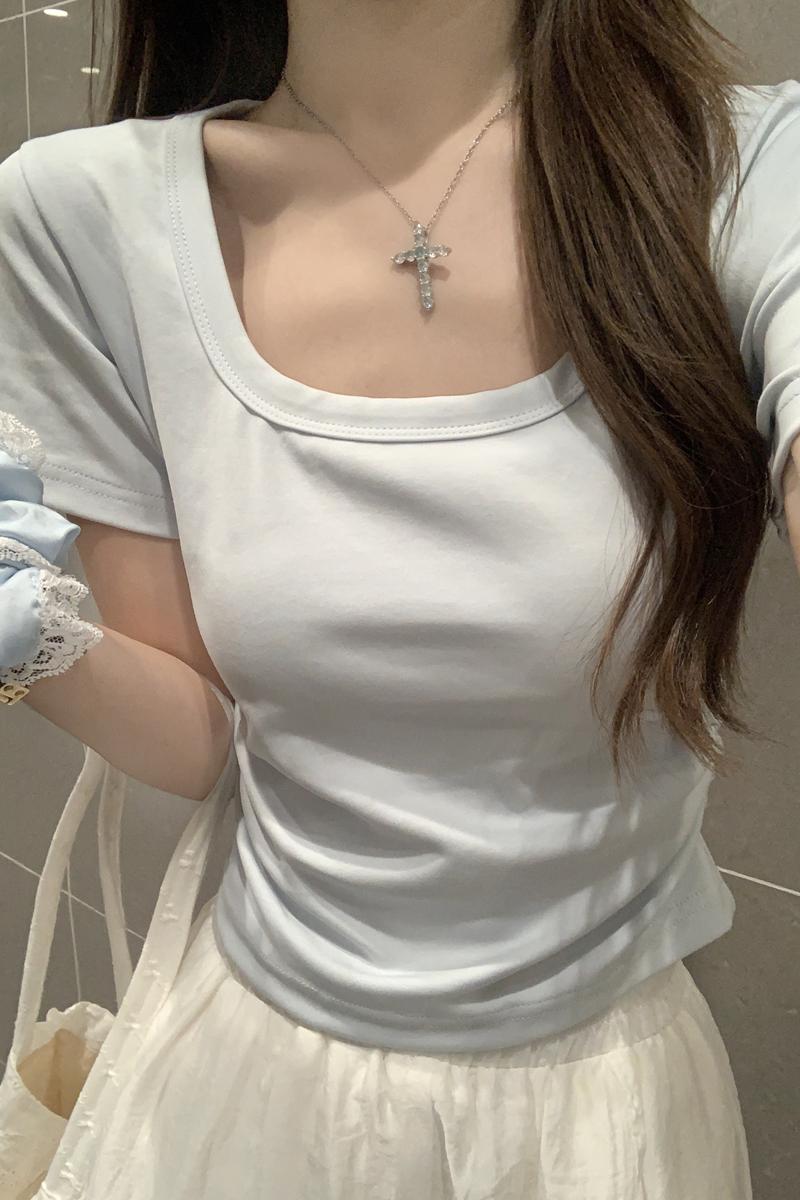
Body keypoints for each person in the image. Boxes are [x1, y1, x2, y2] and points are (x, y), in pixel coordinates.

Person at [2, 0, 799, 1195]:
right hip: (248, 1081)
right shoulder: (79, 210)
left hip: (601, 1115)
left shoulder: (737, 165)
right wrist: (20, 627)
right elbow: (197, 738)